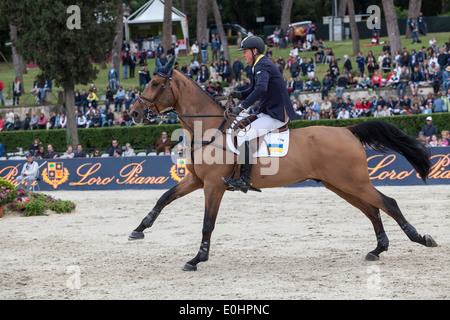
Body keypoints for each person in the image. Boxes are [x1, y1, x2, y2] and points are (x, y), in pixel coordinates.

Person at [223, 36, 297, 193]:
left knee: (244, 135)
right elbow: (254, 90)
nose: (243, 55)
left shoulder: (261, 65)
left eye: (245, 52)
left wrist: (241, 106)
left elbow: (261, 89)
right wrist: (237, 94)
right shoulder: (259, 64)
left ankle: (244, 180)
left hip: (276, 114)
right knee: (239, 129)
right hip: (268, 111)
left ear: (254, 51)